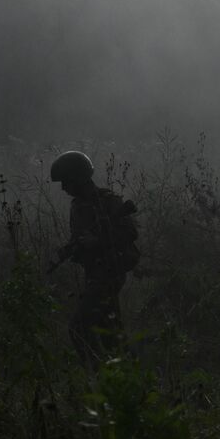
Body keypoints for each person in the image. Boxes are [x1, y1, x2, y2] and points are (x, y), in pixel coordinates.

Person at [50, 151, 139, 365]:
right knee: (111, 333)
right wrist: (72, 250)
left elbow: (129, 234)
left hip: (109, 273)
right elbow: (79, 239)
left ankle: (97, 375)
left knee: (79, 328)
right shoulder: (78, 206)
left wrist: (97, 240)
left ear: (78, 179)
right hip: (94, 274)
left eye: (67, 182)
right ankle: (124, 375)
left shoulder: (108, 201)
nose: (63, 188)